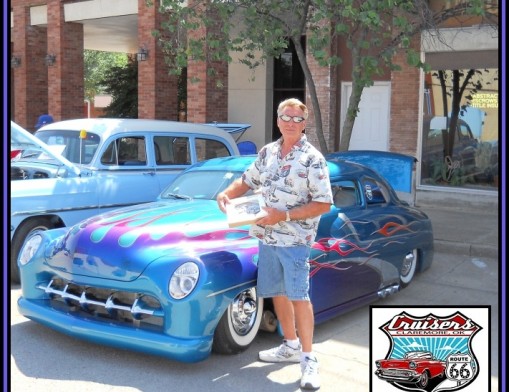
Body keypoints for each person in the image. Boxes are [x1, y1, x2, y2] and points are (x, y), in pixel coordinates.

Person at [217, 98, 333, 390]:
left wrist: (285, 214)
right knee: (277, 292)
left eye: (297, 118)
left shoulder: (313, 158)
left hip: (295, 240)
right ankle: (290, 345)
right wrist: (227, 193)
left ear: (304, 124)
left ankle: (308, 359)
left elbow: (324, 203)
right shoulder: (268, 152)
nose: (291, 122)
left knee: (299, 296)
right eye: (286, 116)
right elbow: (246, 180)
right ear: (278, 120)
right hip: (266, 237)